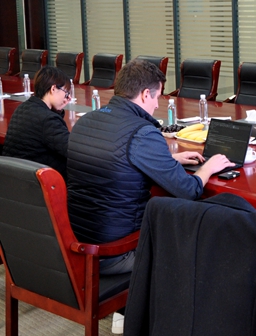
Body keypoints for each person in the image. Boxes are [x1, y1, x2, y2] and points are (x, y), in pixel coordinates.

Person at [67, 59, 234, 275]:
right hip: (116, 251)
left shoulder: (85, 121)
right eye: (157, 97)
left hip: (78, 243)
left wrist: (168, 159)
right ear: (146, 94)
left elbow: (117, 158)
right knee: (202, 239)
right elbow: (188, 190)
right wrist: (208, 168)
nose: (157, 105)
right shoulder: (143, 132)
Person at [3, 66, 71, 179]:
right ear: (53, 89)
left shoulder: (22, 108)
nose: (68, 98)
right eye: (66, 93)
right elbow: (71, 150)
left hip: (14, 179)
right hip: (39, 181)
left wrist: (57, 110)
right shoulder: (48, 120)